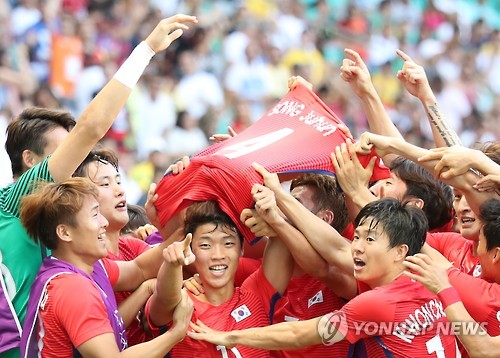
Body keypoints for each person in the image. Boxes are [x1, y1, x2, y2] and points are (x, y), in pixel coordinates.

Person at [0, 13, 198, 357]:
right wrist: (146, 50)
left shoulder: (63, 238)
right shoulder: (14, 201)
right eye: (65, 154)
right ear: (32, 161)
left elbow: (135, 269)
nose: (77, 165)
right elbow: (90, 129)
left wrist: (192, 218)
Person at [188, 198, 460, 356]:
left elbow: (298, 333)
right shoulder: (434, 275)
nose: (357, 246)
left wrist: (230, 337)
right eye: (357, 237)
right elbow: (337, 250)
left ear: (400, 252)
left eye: (370, 239)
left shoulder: (377, 303)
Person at [19, 178, 193, 356]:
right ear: (65, 232)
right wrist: (176, 333)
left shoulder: (88, 267)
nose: (105, 223)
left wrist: (182, 230)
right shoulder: (72, 288)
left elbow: (139, 270)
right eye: (95, 215)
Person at [146, 165, 294, 357]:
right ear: (190, 250)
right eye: (206, 245)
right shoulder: (182, 304)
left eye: (228, 243)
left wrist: (271, 207)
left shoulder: (257, 295)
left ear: (242, 249)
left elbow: (283, 240)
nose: (218, 254)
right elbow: (165, 299)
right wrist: (172, 263)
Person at [403, 198, 500, 357]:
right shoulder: (453, 242)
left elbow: (484, 350)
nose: (477, 252)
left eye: (480, 241)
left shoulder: (491, 298)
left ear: (496, 254)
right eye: (457, 196)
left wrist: (444, 289)